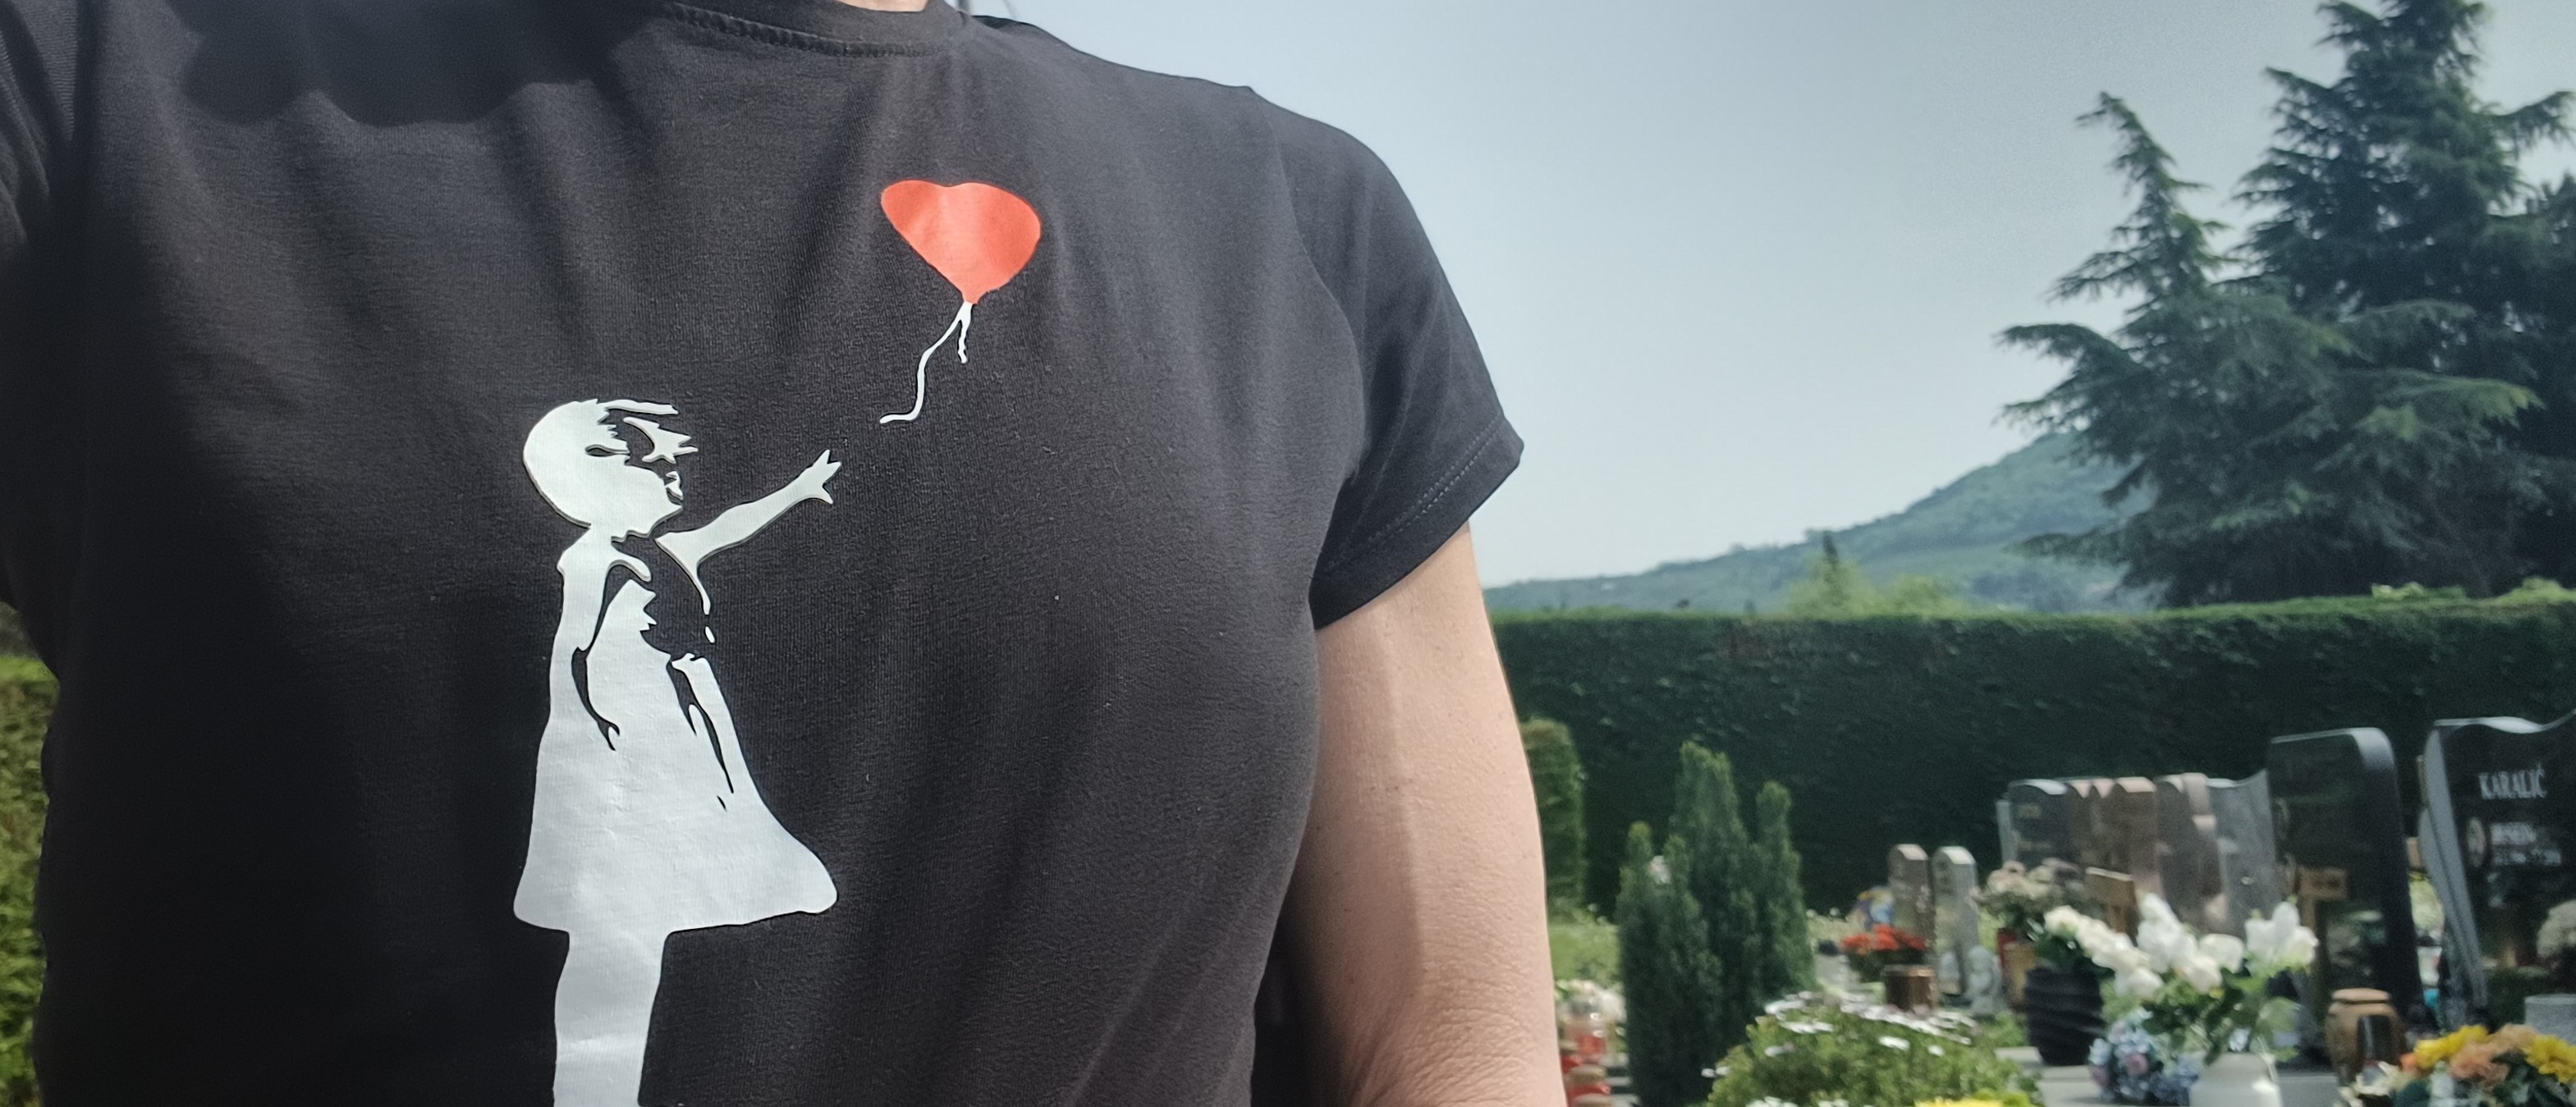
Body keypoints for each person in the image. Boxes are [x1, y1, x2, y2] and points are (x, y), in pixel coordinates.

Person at [0, 0, 1556, 1104]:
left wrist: (799, 488)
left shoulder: (1299, 224)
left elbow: (1449, 1045)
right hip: (625, 776)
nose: (666, 468)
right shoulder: (80, 90)